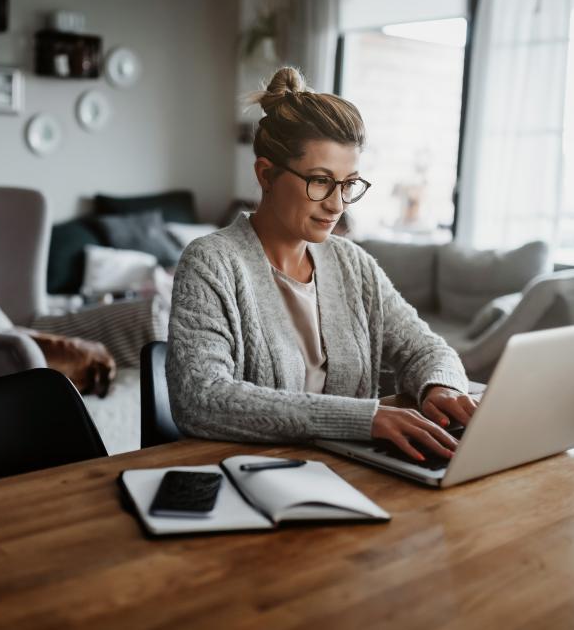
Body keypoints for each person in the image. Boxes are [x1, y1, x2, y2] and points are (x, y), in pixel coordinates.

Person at [166, 67, 477, 462]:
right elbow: (202, 398)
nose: (337, 204)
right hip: (251, 477)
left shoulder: (352, 263)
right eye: (320, 181)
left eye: (349, 184)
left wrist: (441, 387)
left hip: (351, 472)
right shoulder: (212, 263)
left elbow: (426, 349)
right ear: (266, 174)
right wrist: (365, 419)